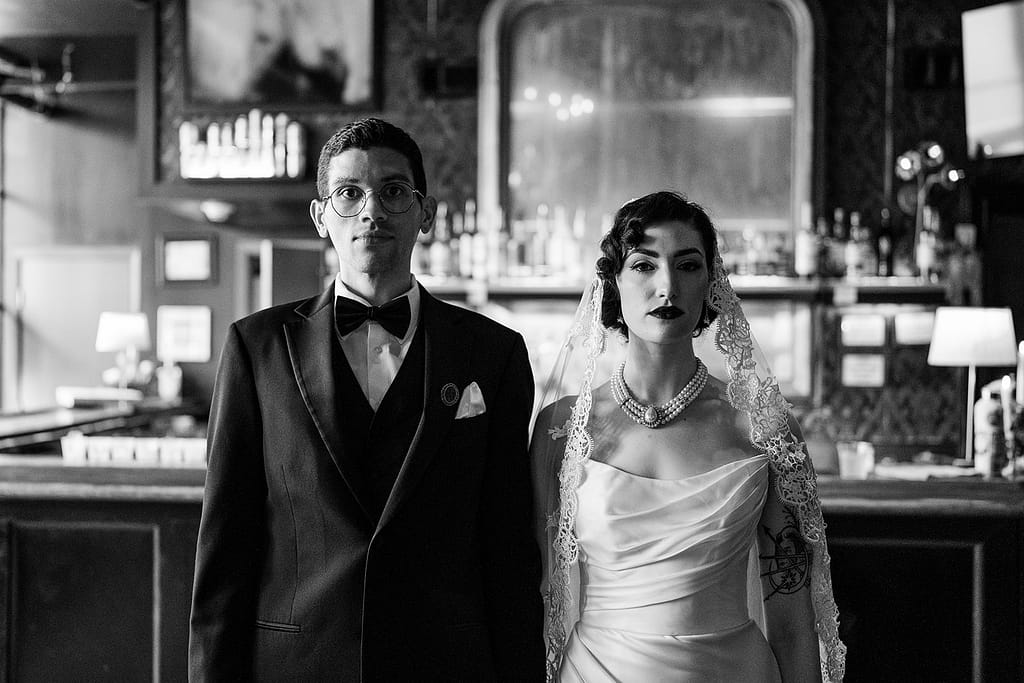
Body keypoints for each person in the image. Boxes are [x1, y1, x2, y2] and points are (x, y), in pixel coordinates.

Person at [189, 117, 544, 681]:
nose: (371, 210)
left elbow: (507, 545)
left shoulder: (493, 353)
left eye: (393, 191)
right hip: (297, 664)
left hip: (445, 664)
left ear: (426, 213)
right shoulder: (256, 348)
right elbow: (226, 544)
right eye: (349, 193)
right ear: (320, 216)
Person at [530, 191, 846, 682]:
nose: (667, 286)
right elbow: (537, 598)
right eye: (644, 265)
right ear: (613, 282)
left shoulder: (766, 428)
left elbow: (791, 622)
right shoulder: (563, 428)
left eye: (688, 265)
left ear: (711, 283)